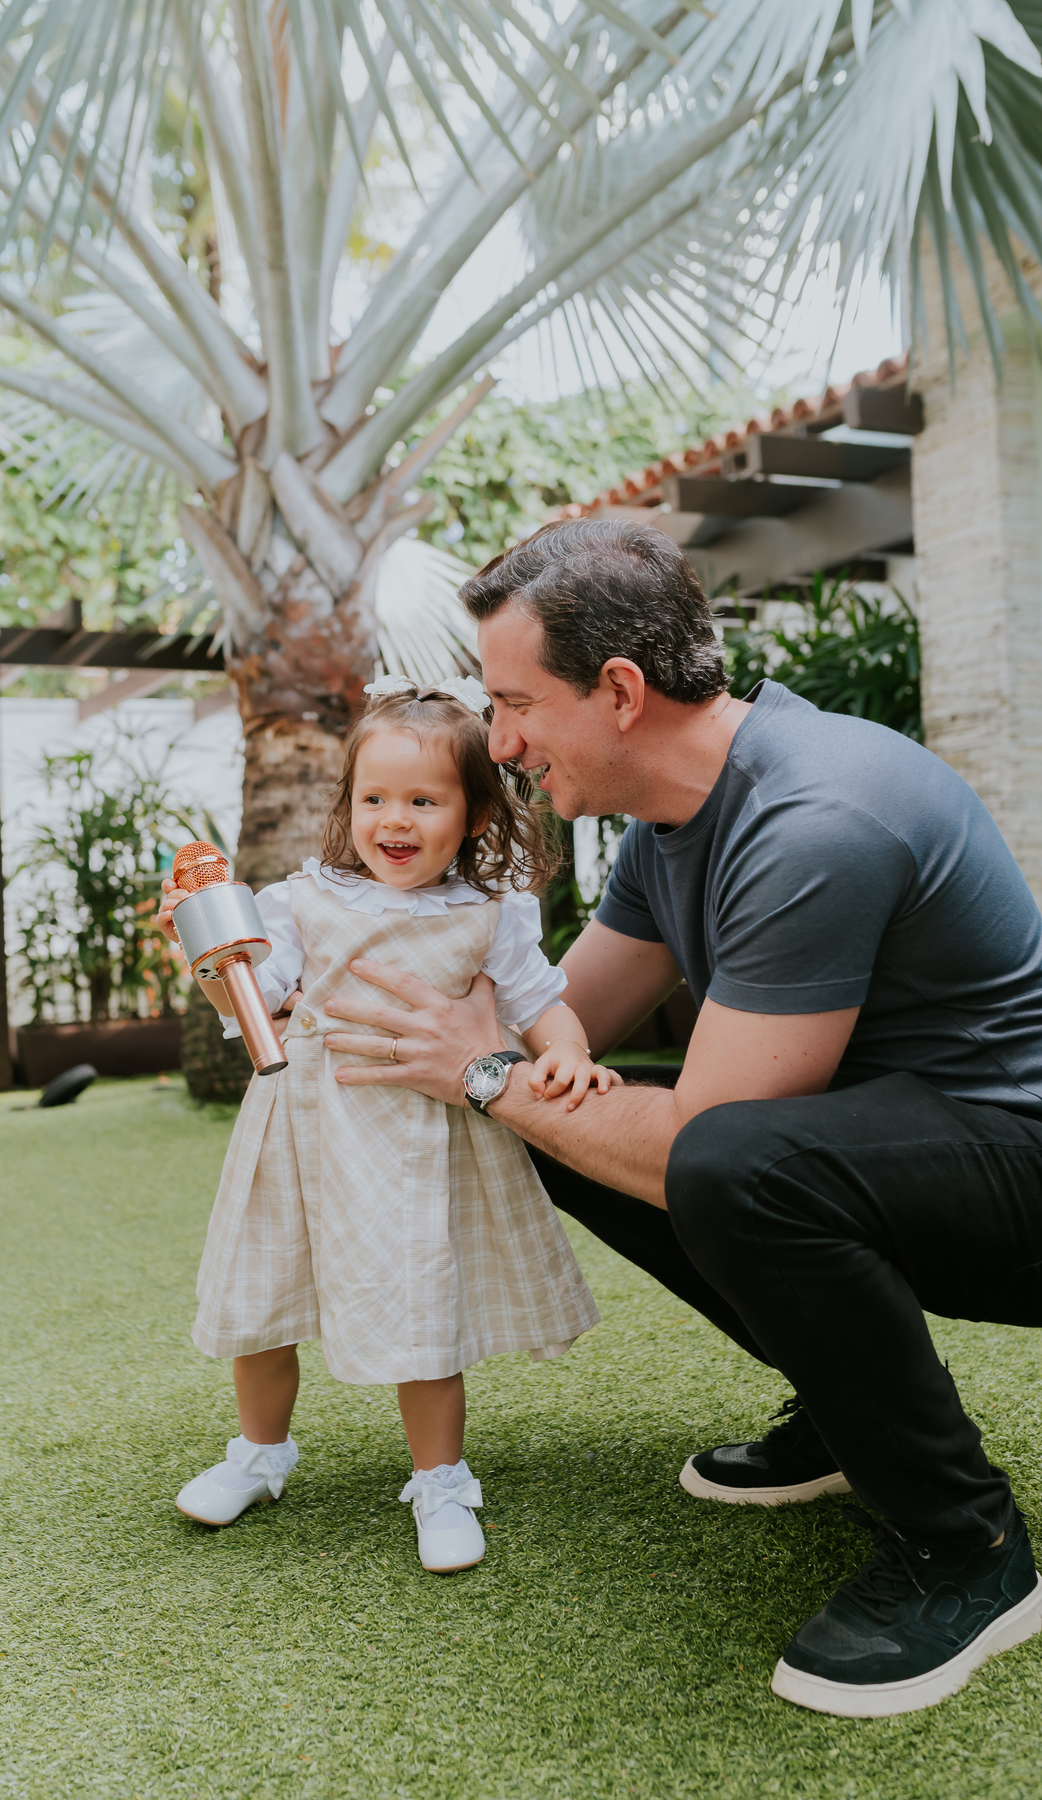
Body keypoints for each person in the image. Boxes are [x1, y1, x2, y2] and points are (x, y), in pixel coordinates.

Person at [318, 517, 1042, 1717]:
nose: (497, 746)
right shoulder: (671, 821)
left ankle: (968, 1552)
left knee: (718, 1160)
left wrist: (486, 1073)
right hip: (912, 1155)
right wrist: (325, 969)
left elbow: (706, 1137)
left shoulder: (817, 816)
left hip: (1019, 1178)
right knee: (563, 1107)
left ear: (617, 692)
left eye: (512, 706)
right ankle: (852, 1411)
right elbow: (569, 1021)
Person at [155, 675, 609, 1575]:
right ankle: (259, 1452)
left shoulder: (488, 915)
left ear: (476, 815)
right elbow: (255, 1002)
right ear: (349, 805)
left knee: (420, 1300)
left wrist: (569, 1052)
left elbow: (541, 1002)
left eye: (423, 800)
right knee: (264, 1298)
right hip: (304, 1125)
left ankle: (441, 1479)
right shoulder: (307, 898)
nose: (393, 820)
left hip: (420, 1140)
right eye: (375, 798)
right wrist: (208, 952)